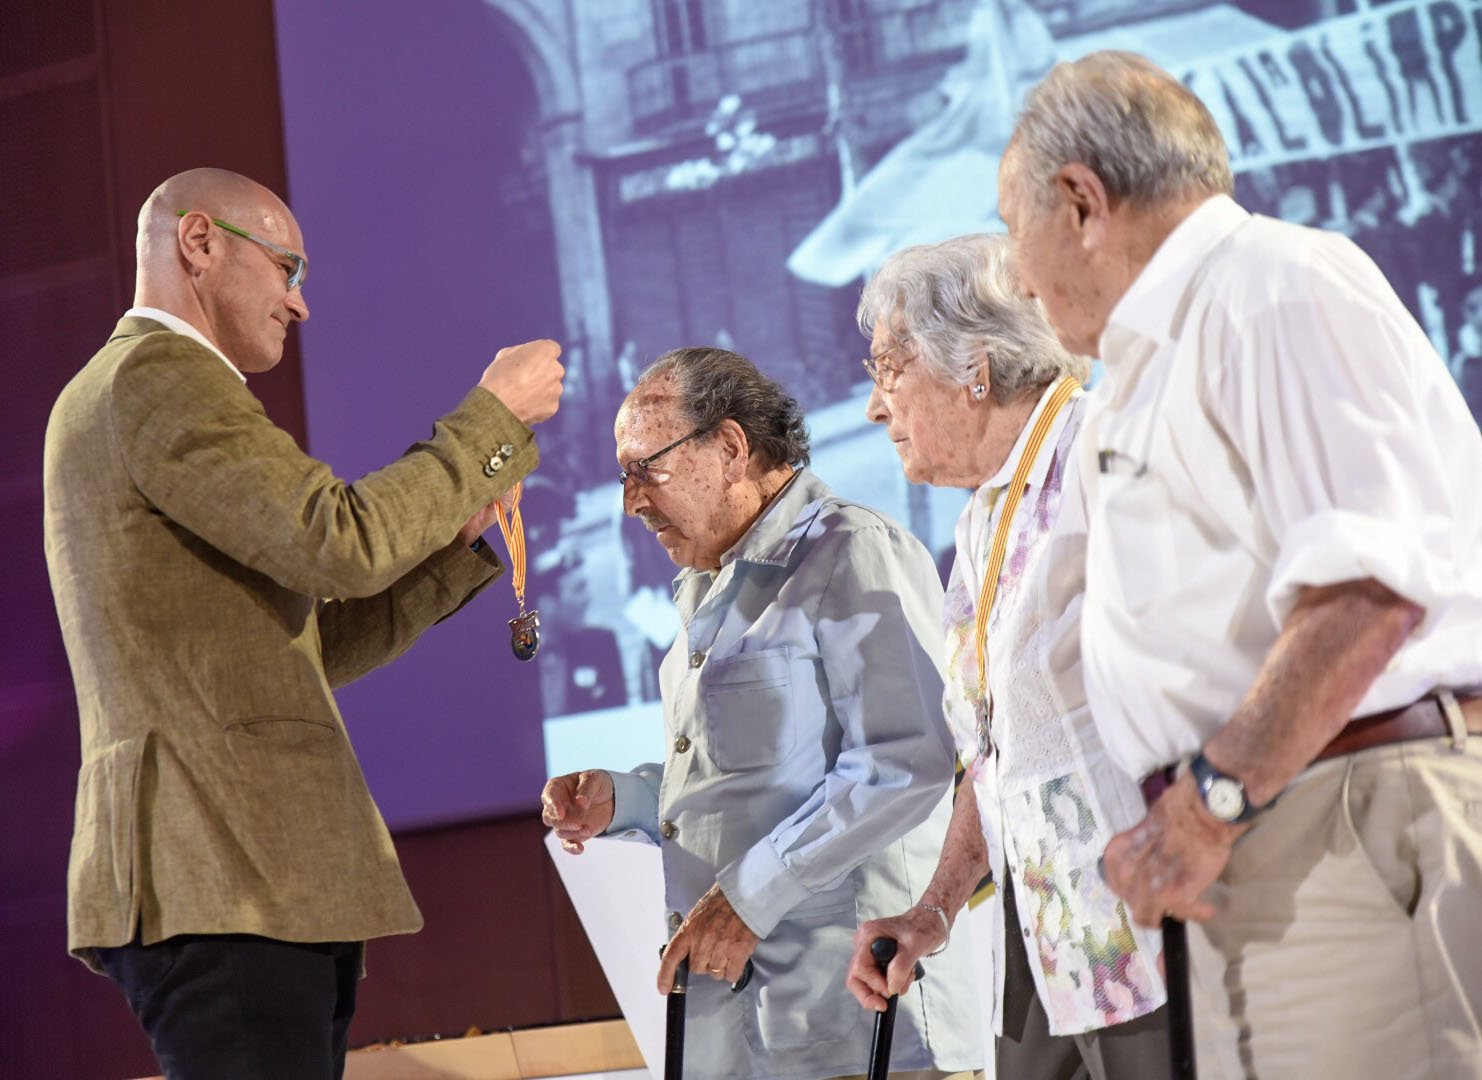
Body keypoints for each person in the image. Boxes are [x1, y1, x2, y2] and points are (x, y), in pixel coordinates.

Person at [999, 51, 1482, 1077]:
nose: (1013, 274)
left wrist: (1210, 801)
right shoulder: (1151, 354)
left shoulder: (1275, 285)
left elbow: (1368, 592)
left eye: (1013, 227)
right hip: (1259, 836)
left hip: (1340, 815)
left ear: (1082, 200)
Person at [42, 167, 565, 1080]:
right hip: (224, 871)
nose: (300, 303)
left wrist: (458, 541)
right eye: (288, 269)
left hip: (246, 880)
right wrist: (491, 423)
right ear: (197, 243)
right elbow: (340, 543)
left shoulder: (137, 388)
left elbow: (310, 645)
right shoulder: (161, 380)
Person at [541, 347, 982, 1080]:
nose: (631, 502)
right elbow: (752, 784)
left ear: (731, 447)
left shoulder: (852, 549)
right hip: (748, 1041)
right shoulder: (707, 587)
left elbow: (906, 763)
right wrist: (628, 799)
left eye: (644, 469)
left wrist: (748, 898)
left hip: (866, 1030)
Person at [841, 234, 1168, 1080]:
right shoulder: (983, 518)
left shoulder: (1104, 457)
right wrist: (937, 908)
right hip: (1043, 929)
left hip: (1144, 931)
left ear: (974, 370)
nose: (877, 408)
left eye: (889, 370)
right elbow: (996, 752)